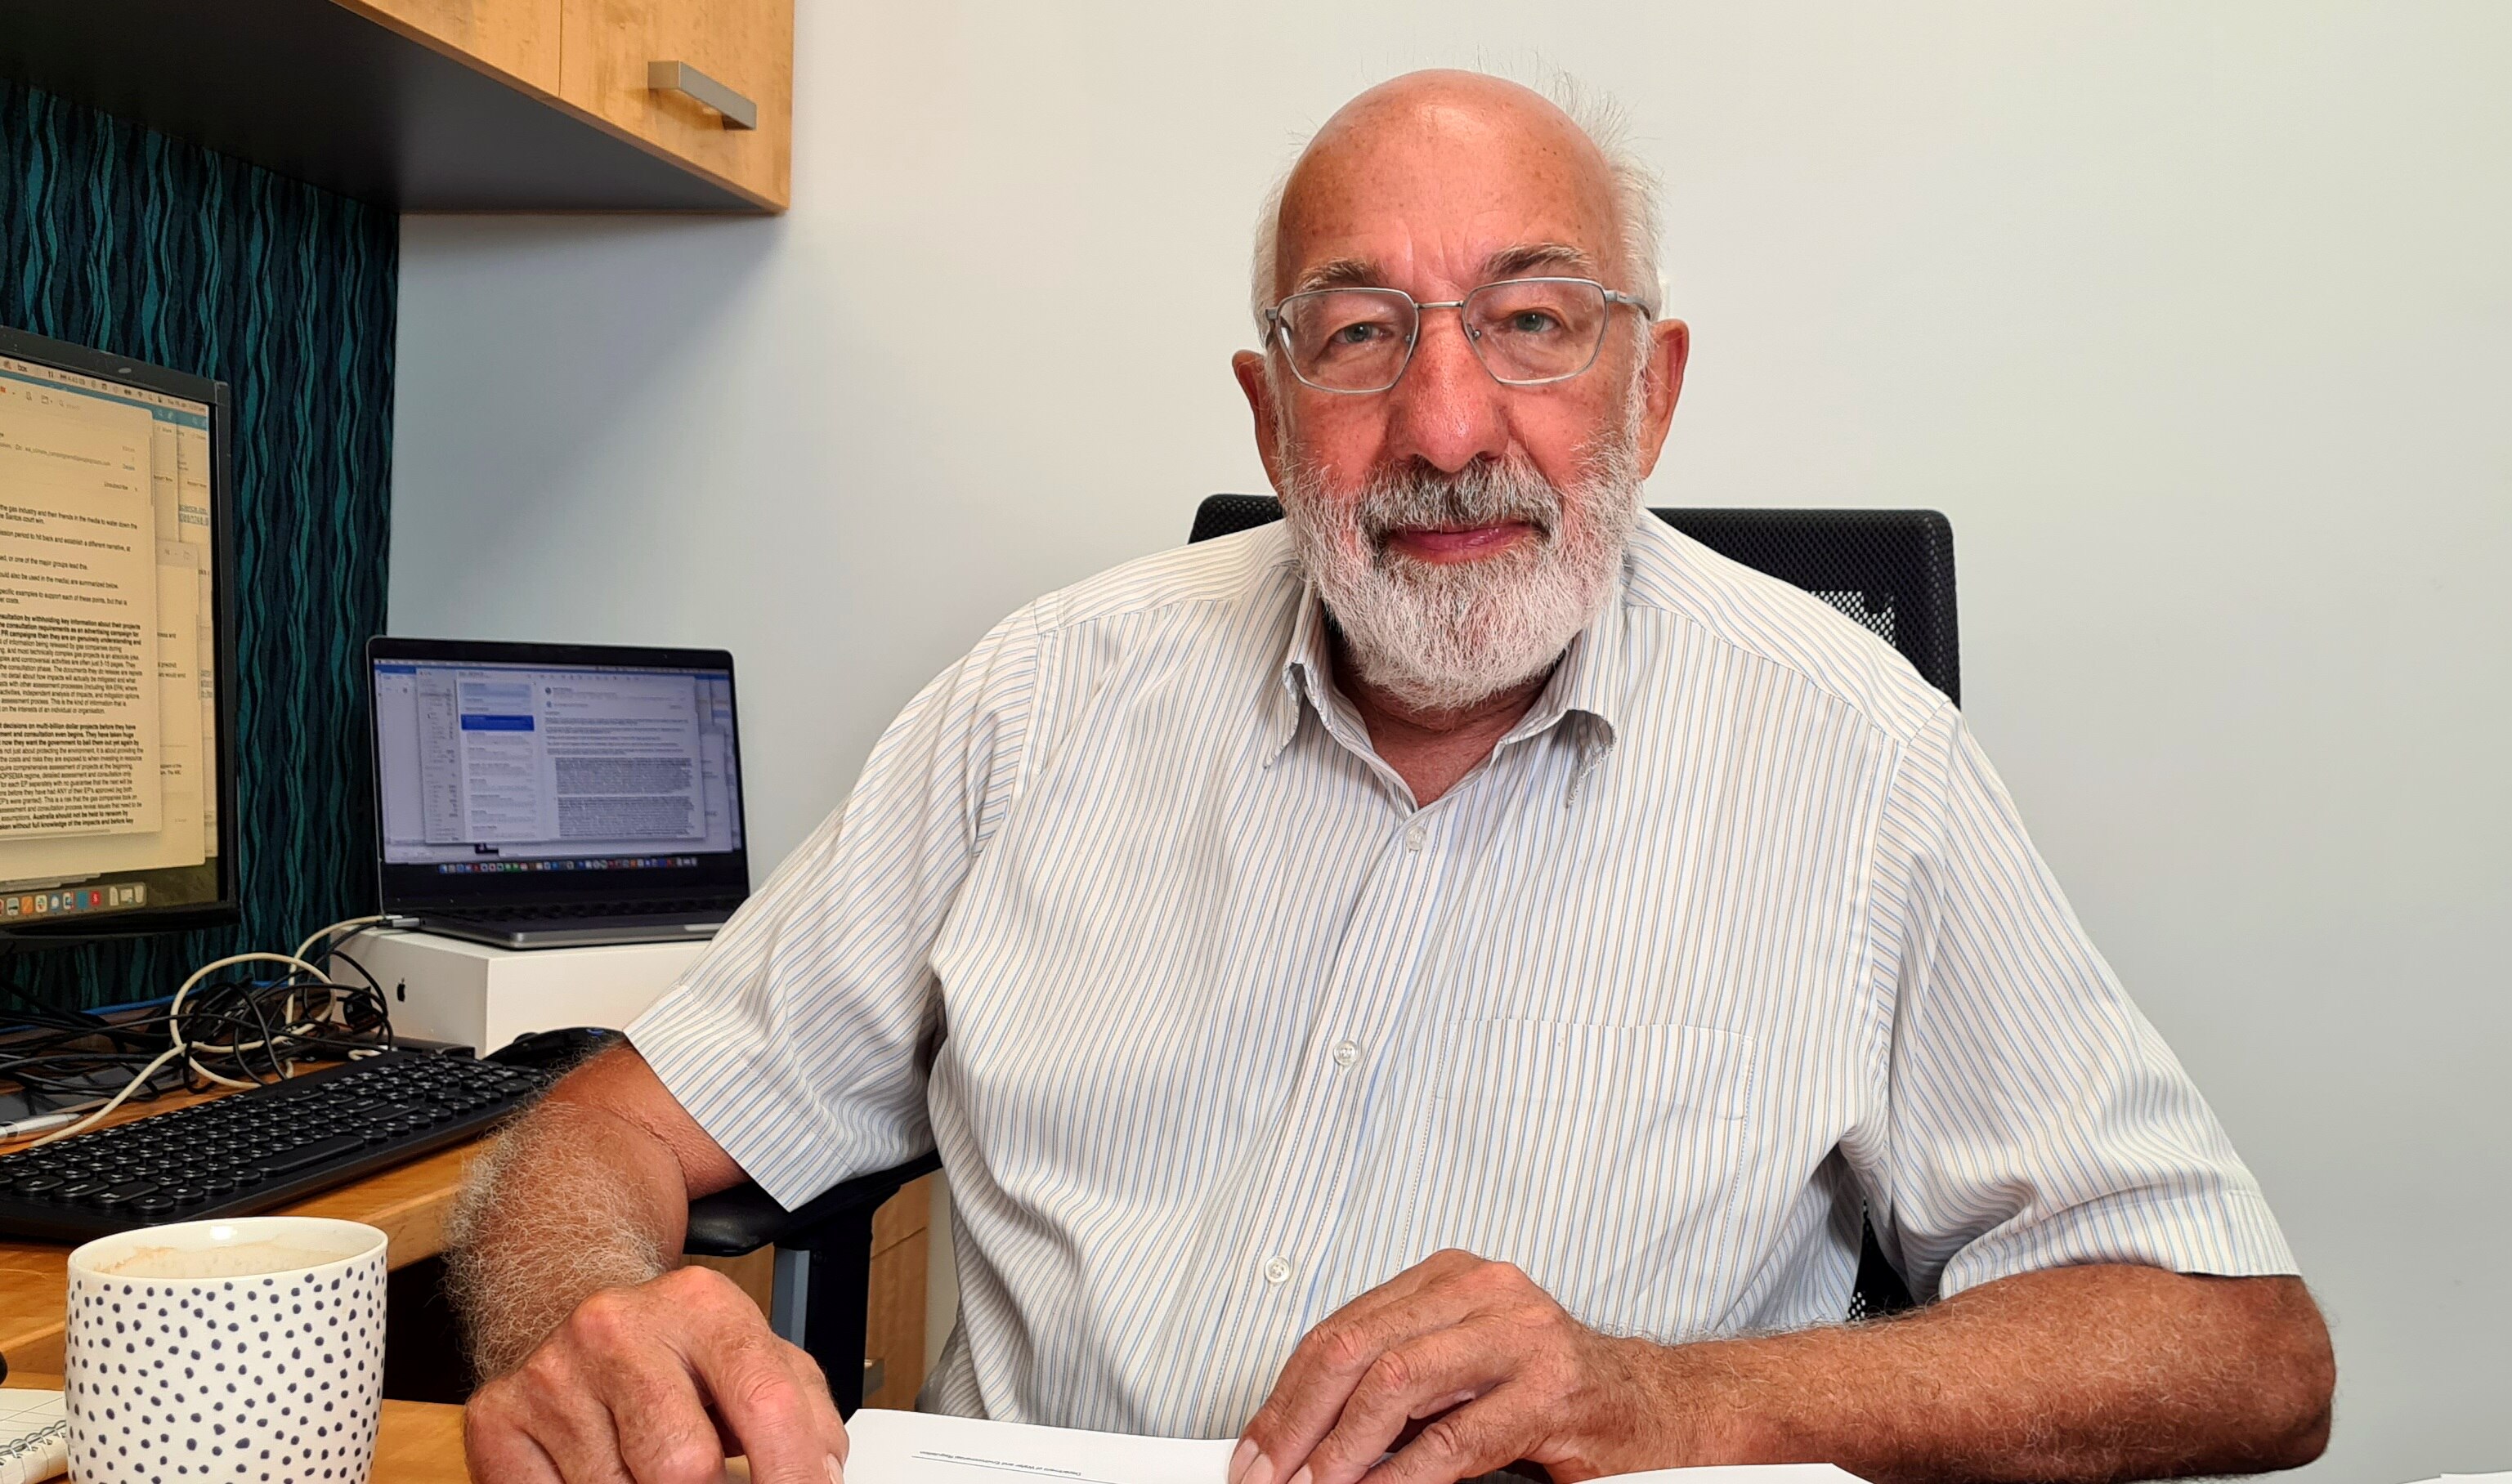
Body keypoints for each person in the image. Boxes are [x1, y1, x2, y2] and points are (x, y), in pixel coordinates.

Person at [451, 69, 2335, 1484]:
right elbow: (606, 1135)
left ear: (1648, 389)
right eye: (1360, 336)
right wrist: (586, 1317)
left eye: (1529, 322)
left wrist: (1676, 1394)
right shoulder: (1042, 698)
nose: (1444, 426)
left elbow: (2242, 1343)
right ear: (1273, 418)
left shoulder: (1859, 759)